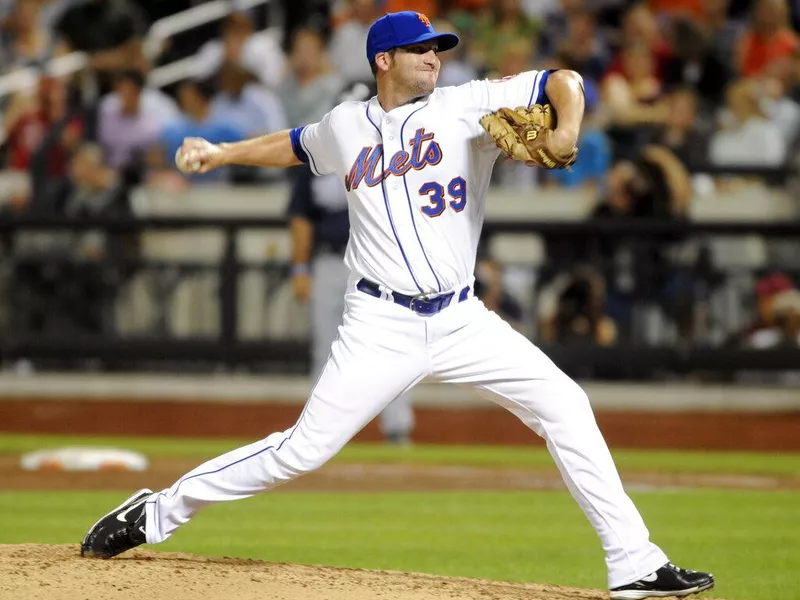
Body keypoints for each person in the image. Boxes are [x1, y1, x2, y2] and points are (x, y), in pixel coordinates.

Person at [80, 12, 715, 600]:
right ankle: (156, 511)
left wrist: (568, 126)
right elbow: (297, 145)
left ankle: (634, 564)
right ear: (384, 60)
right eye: (421, 49)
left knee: (565, 404)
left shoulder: (469, 104)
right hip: (378, 324)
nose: (435, 57)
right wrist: (222, 153)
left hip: (462, 319)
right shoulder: (346, 124)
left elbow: (566, 80)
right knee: (301, 450)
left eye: (438, 48)